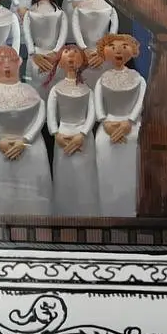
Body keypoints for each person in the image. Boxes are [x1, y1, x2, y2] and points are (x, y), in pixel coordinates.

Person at [0, 45, 52, 216]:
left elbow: (40, 112)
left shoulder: (30, 92)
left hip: (26, 143)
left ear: (19, 63)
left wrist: (26, 139)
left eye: (11, 60)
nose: (7, 64)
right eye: (2, 60)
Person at [94, 33, 146, 217]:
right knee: (107, 173)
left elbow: (140, 102)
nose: (118, 51)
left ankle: (132, 212)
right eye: (113, 47)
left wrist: (129, 121)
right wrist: (105, 122)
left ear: (133, 51)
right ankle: (107, 213)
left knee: (132, 173)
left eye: (124, 47)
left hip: (133, 130)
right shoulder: (102, 79)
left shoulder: (139, 79)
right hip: (107, 129)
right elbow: (98, 103)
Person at [47, 45, 99, 216]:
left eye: (75, 54)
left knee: (85, 176)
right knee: (65, 177)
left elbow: (92, 114)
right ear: (60, 62)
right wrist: (56, 134)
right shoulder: (56, 89)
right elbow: (51, 114)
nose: (71, 57)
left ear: (82, 61)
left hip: (84, 137)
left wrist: (83, 134)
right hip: (63, 135)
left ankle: (88, 214)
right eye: (67, 54)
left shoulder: (88, 90)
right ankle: (64, 213)